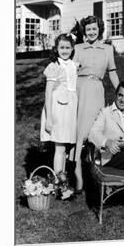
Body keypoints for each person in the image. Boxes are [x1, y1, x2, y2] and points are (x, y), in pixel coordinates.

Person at [71, 15, 120, 192]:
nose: (91, 32)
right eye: (88, 29)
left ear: (99, 29)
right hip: (80, 91)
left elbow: (112, 72)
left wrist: (121, 91)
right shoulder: (77, 48)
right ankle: (78, 179)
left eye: (94, 28)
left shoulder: (108, 49)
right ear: (84, 31)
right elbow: (70, 72)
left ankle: (102, 177)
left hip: (97, 91)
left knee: (98, 133)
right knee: (80, 136)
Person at [40, 33, 78, 198]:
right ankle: (60, 184)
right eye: (61, 47)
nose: (64, 50)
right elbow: (48, 93)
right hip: (57, 110)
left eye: (68, 47)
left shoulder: (72, 65)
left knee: (65, 148)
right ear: (56, 49)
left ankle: (60, 180)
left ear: (72, 49)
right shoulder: (54, 67)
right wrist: (49, 118)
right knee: (59, 147)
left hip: (69, 110)